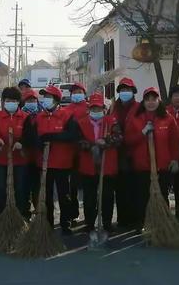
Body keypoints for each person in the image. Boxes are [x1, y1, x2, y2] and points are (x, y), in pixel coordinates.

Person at [124, 87, 179, 231]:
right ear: (143, 102)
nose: (150, 102)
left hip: (162, 165)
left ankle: (162, 224)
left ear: (158, 100)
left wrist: (174, 159)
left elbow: (174, 141)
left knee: (162, 194)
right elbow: (128, 140)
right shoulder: (136, 118)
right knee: (142, 197)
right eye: (147, 100)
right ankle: (142, 223)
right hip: (142, 166)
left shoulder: (167, 118)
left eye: (153, 99)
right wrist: (142, 133)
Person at [29, 85, 80, 235]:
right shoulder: (38, 117)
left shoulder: (66, 115)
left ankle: (66, 223)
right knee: (46, 195)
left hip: (62, 163)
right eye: (45, 97)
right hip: (44, 163)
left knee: (64, 195)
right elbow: (32, 137)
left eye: (49, 97)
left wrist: (52, 137)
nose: (46, 100)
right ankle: (48, 223)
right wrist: (39, 142)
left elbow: (72, 135)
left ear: (57, 100)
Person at [77, 93, 121, 235]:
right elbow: (78, 142)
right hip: (88, 166)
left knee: (107, 197)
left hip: (107, 166)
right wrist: (92, 145)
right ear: (89, 109)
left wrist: (106, 142)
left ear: (104, 109)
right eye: (93, 109)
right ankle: (89, 223)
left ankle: (106, 223)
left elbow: (119, 138)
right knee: (89, 198)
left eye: (99, 109)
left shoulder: (111, 122)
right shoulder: (81, 123)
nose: (96, 112)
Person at [0, 87, 29, 219]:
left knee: (20, 189)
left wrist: (22, 142)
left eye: (13, 100)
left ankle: (20, 216)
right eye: (8, 100)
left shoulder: (25, 117)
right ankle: (1, 216)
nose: (10, 102)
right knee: (0, 189)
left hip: (19, 161)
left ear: (18, 102)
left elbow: (29, 134)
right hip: (0, 160)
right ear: (3, 101)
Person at [110, 77, 140, 229]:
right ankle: (122, 219)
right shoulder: (114, 107)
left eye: (127, 89)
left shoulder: (139, 108)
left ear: (133, 92)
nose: (125, 92)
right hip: (116, 154)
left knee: (134, 188)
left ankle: (135, 219)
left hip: (134, 153)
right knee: (120, 188)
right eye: (122, 90)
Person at [66, 82, 88, 222]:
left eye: (79, 92)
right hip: (71, 153)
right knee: (72, 185)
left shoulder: (90, 108)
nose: (76, 95)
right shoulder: (67, 110)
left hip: (87, 152)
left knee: (88, 185)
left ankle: (90, 214)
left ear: (84, 94)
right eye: (74, 93)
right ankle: (73, 213)